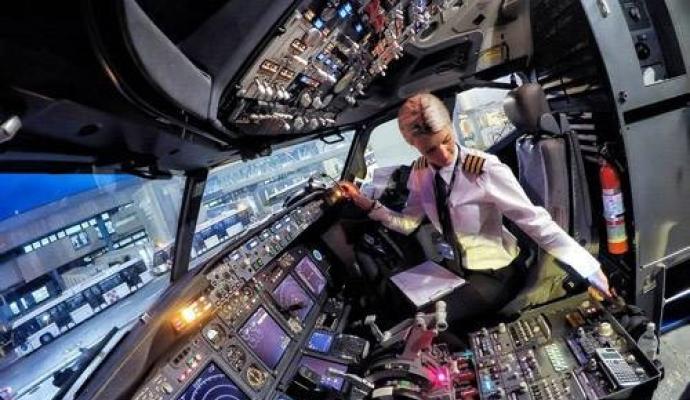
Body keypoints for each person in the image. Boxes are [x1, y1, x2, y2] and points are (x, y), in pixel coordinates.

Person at [340, 93, 611, 322]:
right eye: (431, 150)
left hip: (497, 273)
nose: (443, 154)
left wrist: (589, 267)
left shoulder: (484, 169)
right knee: (398, 302)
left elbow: (535, 222)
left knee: (426, 322)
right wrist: (368, 205)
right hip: (456, 268)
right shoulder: (420, 173)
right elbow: (408, 223)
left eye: (446, 140)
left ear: (451, 127)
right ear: (415, 147)